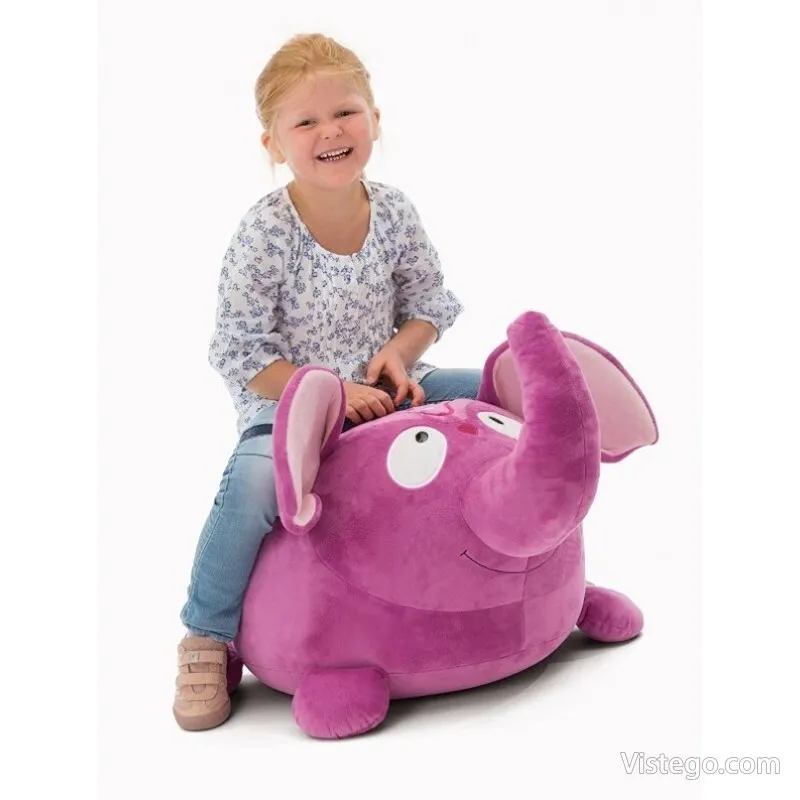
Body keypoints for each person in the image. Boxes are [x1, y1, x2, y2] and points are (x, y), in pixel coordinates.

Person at [173, 32, 483, 731]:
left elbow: (429, 305)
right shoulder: (266, 232)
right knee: (255, 483)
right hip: (286, 402)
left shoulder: (394, 211)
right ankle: (206, 633)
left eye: (345, 112)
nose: (331, 132)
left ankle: (526, 560)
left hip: (388, 385)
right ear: (274, 144)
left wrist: (399, 354)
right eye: (306, 122)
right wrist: (332, 393)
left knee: (489, 400)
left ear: (375, 118)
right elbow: (239, 350)